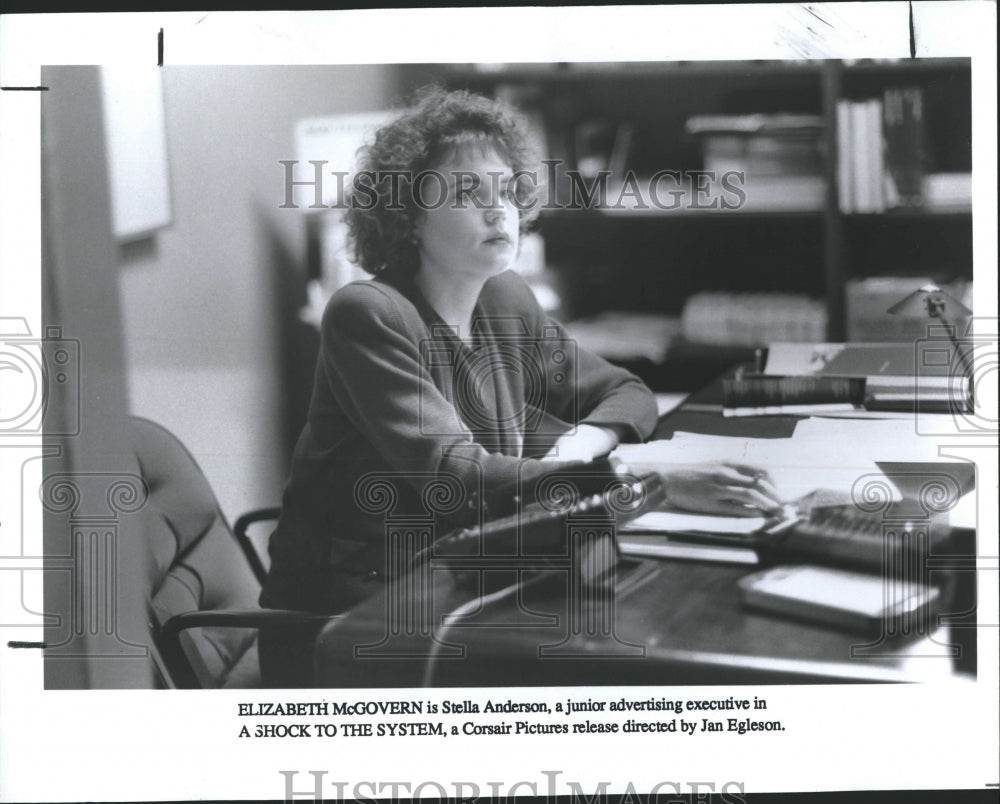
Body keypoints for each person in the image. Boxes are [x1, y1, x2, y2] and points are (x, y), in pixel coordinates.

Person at [258, 87, 780, 687]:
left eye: (506, 190)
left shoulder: (505, 300)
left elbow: (628, 392)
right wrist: (647, 484)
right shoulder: (367, 314)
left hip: (477, 575)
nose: (497, 210)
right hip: (355, 622)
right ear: (407, 215)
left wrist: (583, 442)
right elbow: (462, 480)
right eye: (467, 192)